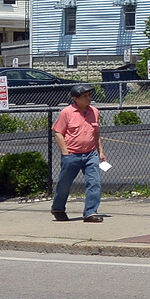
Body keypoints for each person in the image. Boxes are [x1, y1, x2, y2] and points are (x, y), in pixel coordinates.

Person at [51, 84, 107, 223]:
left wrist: (101, 151)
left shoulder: (94, 111)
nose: (89, 98)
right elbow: (58, 133)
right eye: (85, 96)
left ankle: (90, 212)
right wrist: (66, 153)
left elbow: (96, 133)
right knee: (65, 184)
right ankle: (58, 208)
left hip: (90, 154)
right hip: (72, 154)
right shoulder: (67, 112)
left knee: (95, 182)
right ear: (75, 98)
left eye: (89, 95)